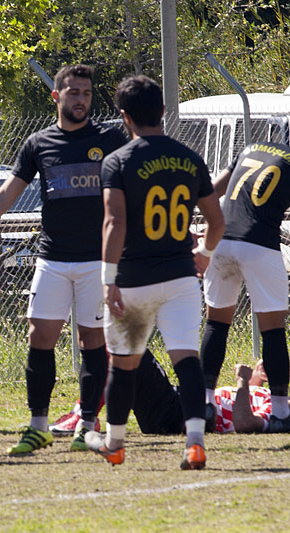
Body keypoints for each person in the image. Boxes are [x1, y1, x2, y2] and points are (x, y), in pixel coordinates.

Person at [0, 65, 126, 454]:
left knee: (93, 342)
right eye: (73, 92)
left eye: (87, 93)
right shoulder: (39, 143)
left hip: (96, 261)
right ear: (56, 97)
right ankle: (38, 425)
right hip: (52, 259)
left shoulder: (110, 137)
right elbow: (6, 194)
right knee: (39, 337)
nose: (81, 100)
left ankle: (86, 425)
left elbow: (134, 184)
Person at [86, 74, 224, 469]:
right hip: (181, 277)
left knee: (124, 363)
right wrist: (206, 254)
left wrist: (108, 279)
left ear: (124, 116)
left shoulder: (118, 161)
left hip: (134, 279)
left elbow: (115, 222)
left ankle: (114, 442)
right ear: (163, 111)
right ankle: (195, 442)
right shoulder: (189, 157)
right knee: (186, 359)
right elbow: (216, 222)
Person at [200, 133, 290, 433]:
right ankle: (280, 413)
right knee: (274, 331)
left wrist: (204, 237)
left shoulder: (251, 147)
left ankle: (205, 403)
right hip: (259, 246)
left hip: (221, 242)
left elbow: (210, 192)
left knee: (216, 324)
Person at [130, 350, 290, 435]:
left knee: (132, 347)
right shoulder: (274, 401)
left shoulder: (275, 414)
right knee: (122, 364)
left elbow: (244, 422)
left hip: (174, 413)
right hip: (176, 402)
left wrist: (242, 380)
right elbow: (246, 398)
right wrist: (257, 377)